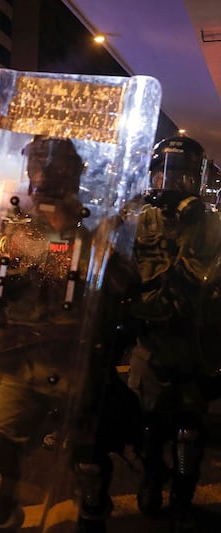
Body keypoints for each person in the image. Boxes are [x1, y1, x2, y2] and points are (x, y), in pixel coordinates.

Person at [0, 135, 139, 532]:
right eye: (36, 169)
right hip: (24, 359)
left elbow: (127, 285)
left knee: (88, 460)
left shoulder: (97, 224)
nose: (40, 178)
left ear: (69, 175)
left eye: (49, 169)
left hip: (76, 362)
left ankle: (92, 514)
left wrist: (96, 250)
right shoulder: (17, 224)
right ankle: (2, 519)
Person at [125, 134, 221, 531]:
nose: (173, 184)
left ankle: (183, 485)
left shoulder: (211, 223)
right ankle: (151, 475)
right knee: (149, 423)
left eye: (183, 177)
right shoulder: (138, 221)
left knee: (188, 427)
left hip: (194, 341)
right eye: (166, 175)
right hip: (150, 339)